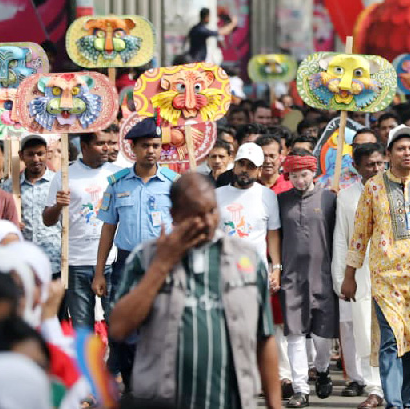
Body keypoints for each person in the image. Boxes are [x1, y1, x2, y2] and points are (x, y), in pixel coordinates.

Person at [109, 172, 280, 409]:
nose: (208, 221)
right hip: (163, 401)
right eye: (197, 214)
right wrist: (162, 265)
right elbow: (119, 327)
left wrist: (275, 404)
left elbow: (265, 337)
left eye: (212, 211)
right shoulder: (146, 258)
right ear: (174, 215)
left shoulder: (247, 260)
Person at [341, 125, 410, 409]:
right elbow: (360, 235)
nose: (407, 153)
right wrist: (349, 275)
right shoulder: (374, 187)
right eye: (400, 148)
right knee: (390, 342)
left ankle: (406, 400)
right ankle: (394, 403)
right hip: (386, 279)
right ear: (388, 154)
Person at [94, 117, 179, 390]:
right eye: (145, 146)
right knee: (121, 325)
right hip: (126, 263)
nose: (151, 151)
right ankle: (131, 384)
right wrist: (99, 273)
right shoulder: (118, 184)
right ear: (133, 148)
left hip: (162, 263)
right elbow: (108, 229)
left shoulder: (173, 184)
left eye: (155, 145)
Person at [41, 126, 119, 329]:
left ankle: (114, 362)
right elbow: (48, 220)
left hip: (112, 261)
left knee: (116, 323)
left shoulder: (117, 174)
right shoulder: (64, 175)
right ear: (84, 146)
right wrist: (59, 204)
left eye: (109, 143)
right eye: (100, 143)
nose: (106, 148)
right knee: (82, 328)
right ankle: (86, 362)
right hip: (76, 262)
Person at [277, 154, 338, 407]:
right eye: (294, 175)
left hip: (322, 275)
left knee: (322, 335)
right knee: (294, 333)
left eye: (304, 174)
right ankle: (300, 389)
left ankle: (322, 370)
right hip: (291, 277)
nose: (300, 180)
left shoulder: (329, 199)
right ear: (288, 176)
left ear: (313, 173)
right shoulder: (280, 201)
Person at [333, 143, 386, 409]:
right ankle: (374, 387)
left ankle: (395, 387)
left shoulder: (396, 189)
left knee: (393, 333)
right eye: (370, 165)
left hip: (393, 273)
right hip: (361, 272)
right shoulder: (347, 197)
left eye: (380, 163)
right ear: (356, 167)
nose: (376, 169)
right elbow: (341, 239)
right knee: (365, 330)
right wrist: (342, 277)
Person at [215, 142, 282, 274]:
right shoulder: (216, 195)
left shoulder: (268, 196)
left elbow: (273, 235)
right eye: (241, 164)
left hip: (256, 272)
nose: (244, 169)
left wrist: (276, 268)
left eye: (251, 166)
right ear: (234, 166)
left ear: (259, 171)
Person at [0, 135, 59, 277]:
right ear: (21, 156)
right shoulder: (9, 187)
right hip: (22, 262)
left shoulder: (59, 183)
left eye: (40, 154)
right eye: (30, 154)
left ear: (47, 154)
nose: (36, 159)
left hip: (54, 260)